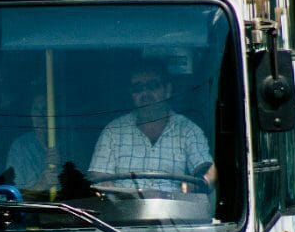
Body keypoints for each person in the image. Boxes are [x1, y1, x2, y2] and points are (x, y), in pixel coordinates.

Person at [88, 59, 216, 194]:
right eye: (137, 88)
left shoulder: (188, 130)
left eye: (152, 86)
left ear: (168, 90)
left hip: (175, 212)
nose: (145, 94)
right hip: (124, 212)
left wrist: (193, 186)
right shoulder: (113, 131)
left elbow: (208, 173)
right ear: (132, 94)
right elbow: (97, 178)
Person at [5, 93, 62, 196]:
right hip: (32, 210)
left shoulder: (69, 143)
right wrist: (42, 184)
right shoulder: (20, 147)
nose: (41, 115)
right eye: (36, 109)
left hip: (68, 207)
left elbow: (85, 184)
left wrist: (63, 169)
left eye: (45, 109)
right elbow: (13, 197)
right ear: (31, 114)